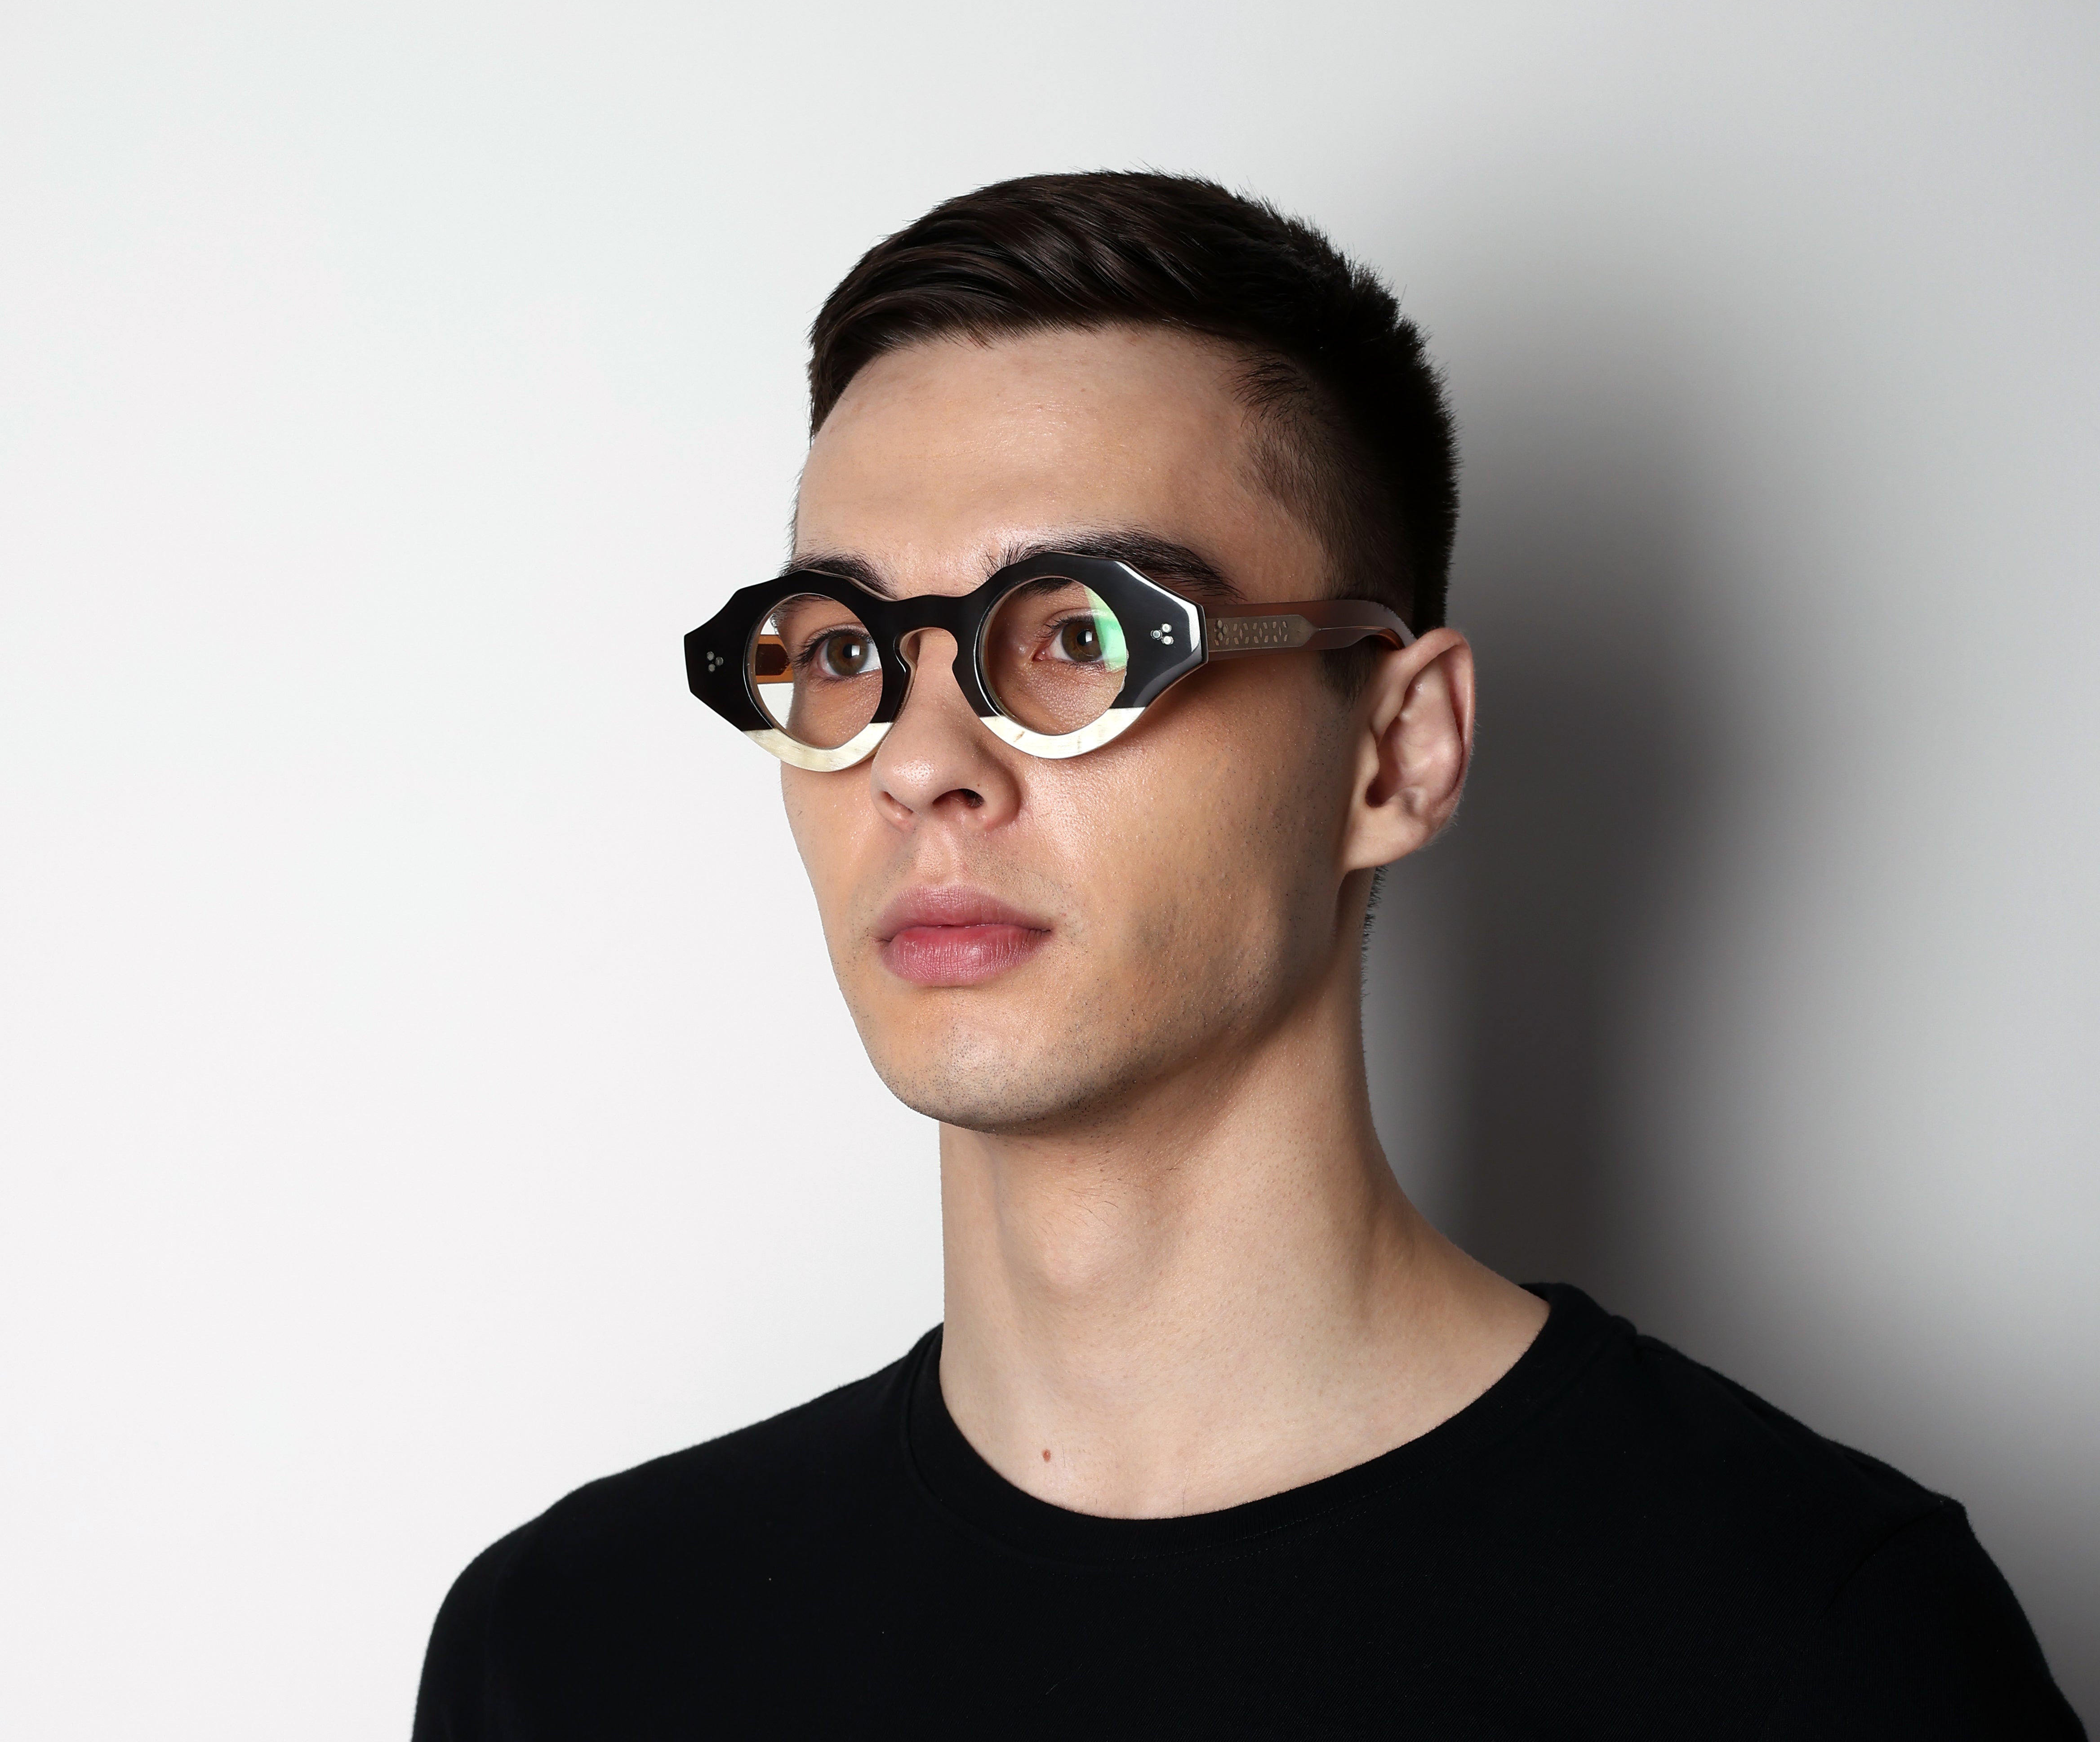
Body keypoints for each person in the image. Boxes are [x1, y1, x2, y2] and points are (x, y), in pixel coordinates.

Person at [413, 173, 2080, 1738]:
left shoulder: (1820, 1642)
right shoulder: (575, 1650)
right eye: (847, 654)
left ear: (1397, 750)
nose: (920, 764)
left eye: (1080, 635)